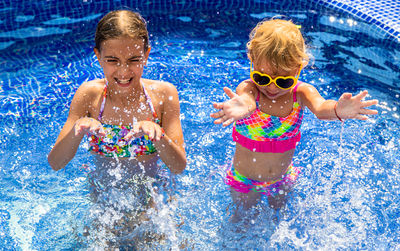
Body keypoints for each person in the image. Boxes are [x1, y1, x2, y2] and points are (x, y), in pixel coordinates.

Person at [210, 19, 378, 221]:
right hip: (245, 180)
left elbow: (320, 108)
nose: (272, 88)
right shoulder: (249, 89)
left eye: (283, 81)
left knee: (279, 221)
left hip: (281, 179)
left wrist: (338, 109)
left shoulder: (302, 92)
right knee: (240, 222)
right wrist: (241, 107)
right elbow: (247, 103)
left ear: (299, 68)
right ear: (251, 61)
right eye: (262, 78)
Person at [47, 10, 186, 246]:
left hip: (151, 203)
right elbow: (56, 162)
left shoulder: (163, 95)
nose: (123, 71)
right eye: (112, 61)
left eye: (134, 60)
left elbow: (179, 166)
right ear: (98, 56)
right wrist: (78, 130)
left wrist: (158, 134)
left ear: (147, 55)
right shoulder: (89, 96)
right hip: (105, 203)